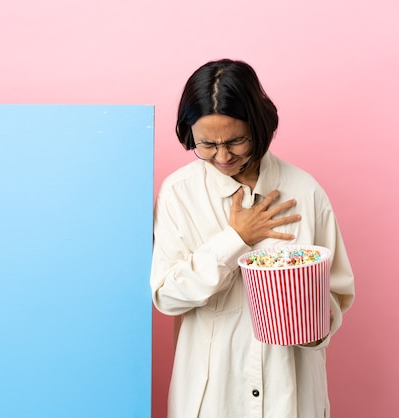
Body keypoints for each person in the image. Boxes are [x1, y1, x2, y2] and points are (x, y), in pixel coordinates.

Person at [150, 59, 355, 418]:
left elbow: (336, 291)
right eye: (207, 145)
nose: (223, 156)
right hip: (213, 398)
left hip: (289, 395)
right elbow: (166, 295)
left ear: (258, 127)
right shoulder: (179, 193)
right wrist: (235, 240)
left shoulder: (305, 192)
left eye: (236, 141)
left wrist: (315, 329)